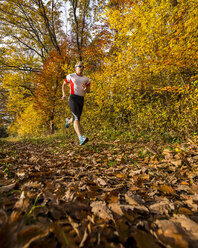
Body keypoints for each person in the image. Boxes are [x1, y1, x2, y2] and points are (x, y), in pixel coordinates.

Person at [62, 61, 90, 145]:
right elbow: (64, 85)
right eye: (80, 66)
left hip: (81, 99)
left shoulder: (86, 79)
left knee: (76, 118)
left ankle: (68, 121)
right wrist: (64, 94)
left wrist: (86, 89)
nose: (81, 68)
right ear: (75, 67)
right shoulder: (71, 76)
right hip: (73, 98)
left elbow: (89, 90)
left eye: (82, 67)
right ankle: (80, 137)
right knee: (76, 117)